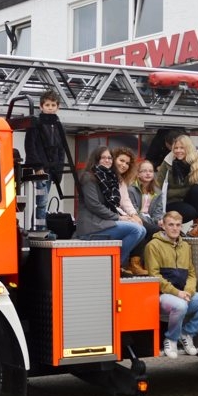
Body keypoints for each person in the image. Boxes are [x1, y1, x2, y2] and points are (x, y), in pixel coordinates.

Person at [144, 211, 198, 359]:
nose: (174, 228)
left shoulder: (185, 246)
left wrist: (188, 292)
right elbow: (154, 276)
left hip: (183, 294)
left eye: (178, 225)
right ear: (163, 226)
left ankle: (187, 333)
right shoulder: (153, 246)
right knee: (180, 305)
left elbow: (191, 274)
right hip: (162, 297)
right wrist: (177, 293)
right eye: (171, 225)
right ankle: (171, 339)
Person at [76, 146, 146, 274]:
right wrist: (119, 218)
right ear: (96, 159)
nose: (107, 160)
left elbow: (118, 203)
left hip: (104, 223)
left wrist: (130, 216)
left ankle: (116, 263)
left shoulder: (110, 178)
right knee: (135, 230)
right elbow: (94, 205)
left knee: (142, 230)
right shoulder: (88, 177)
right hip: (92, 226)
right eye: (103, 157)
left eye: (109, 158)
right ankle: (115, 264)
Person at [24, 90, 66, 231]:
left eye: (53, 105)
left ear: (58, 107)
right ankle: (39, 229)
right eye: (47, 105)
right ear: (41, 107)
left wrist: (58, 172)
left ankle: (39, 227)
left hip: (51, 169)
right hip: (40, 169)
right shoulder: (35, 124)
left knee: (43, 200)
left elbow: (62, 150)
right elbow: (30, 146)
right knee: (41, 201)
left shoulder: (59, 126)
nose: (50, 107)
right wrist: (37, 167)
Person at [156, 134, 198, 237]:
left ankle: (197, 227)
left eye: (182, 148)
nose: (178, 151)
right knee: (190, 212)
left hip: (186, 200)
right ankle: (177, 229)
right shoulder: (168, 162)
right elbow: (157, 186)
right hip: (170, 202)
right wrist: (156, 212)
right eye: (176, 148)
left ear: (188, 149)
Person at [112, 147, 148, 275]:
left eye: (127, 163)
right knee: (138, 229)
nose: (124, 165)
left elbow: (126, 202)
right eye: (121, 160)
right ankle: (121, 263)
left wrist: (134, 215)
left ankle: (128, 263)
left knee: (142, 227)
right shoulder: (106, 178)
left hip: (120, 214)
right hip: (108, 219)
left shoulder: (121, 181)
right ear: (113, 159)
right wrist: (124, 217)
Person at [128, 159, 164, 265]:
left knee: (163, 229)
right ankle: (138, 263)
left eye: (150, 171)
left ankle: (153, 263)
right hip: (136, 219)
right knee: (155, 231)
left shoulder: (158, 192)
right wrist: (148, 222)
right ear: (138, 174)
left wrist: (158, 220)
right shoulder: (131, 190)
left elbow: (158, 211)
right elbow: (133, 210)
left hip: (150, 221)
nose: (148, 173)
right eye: (144, 171)